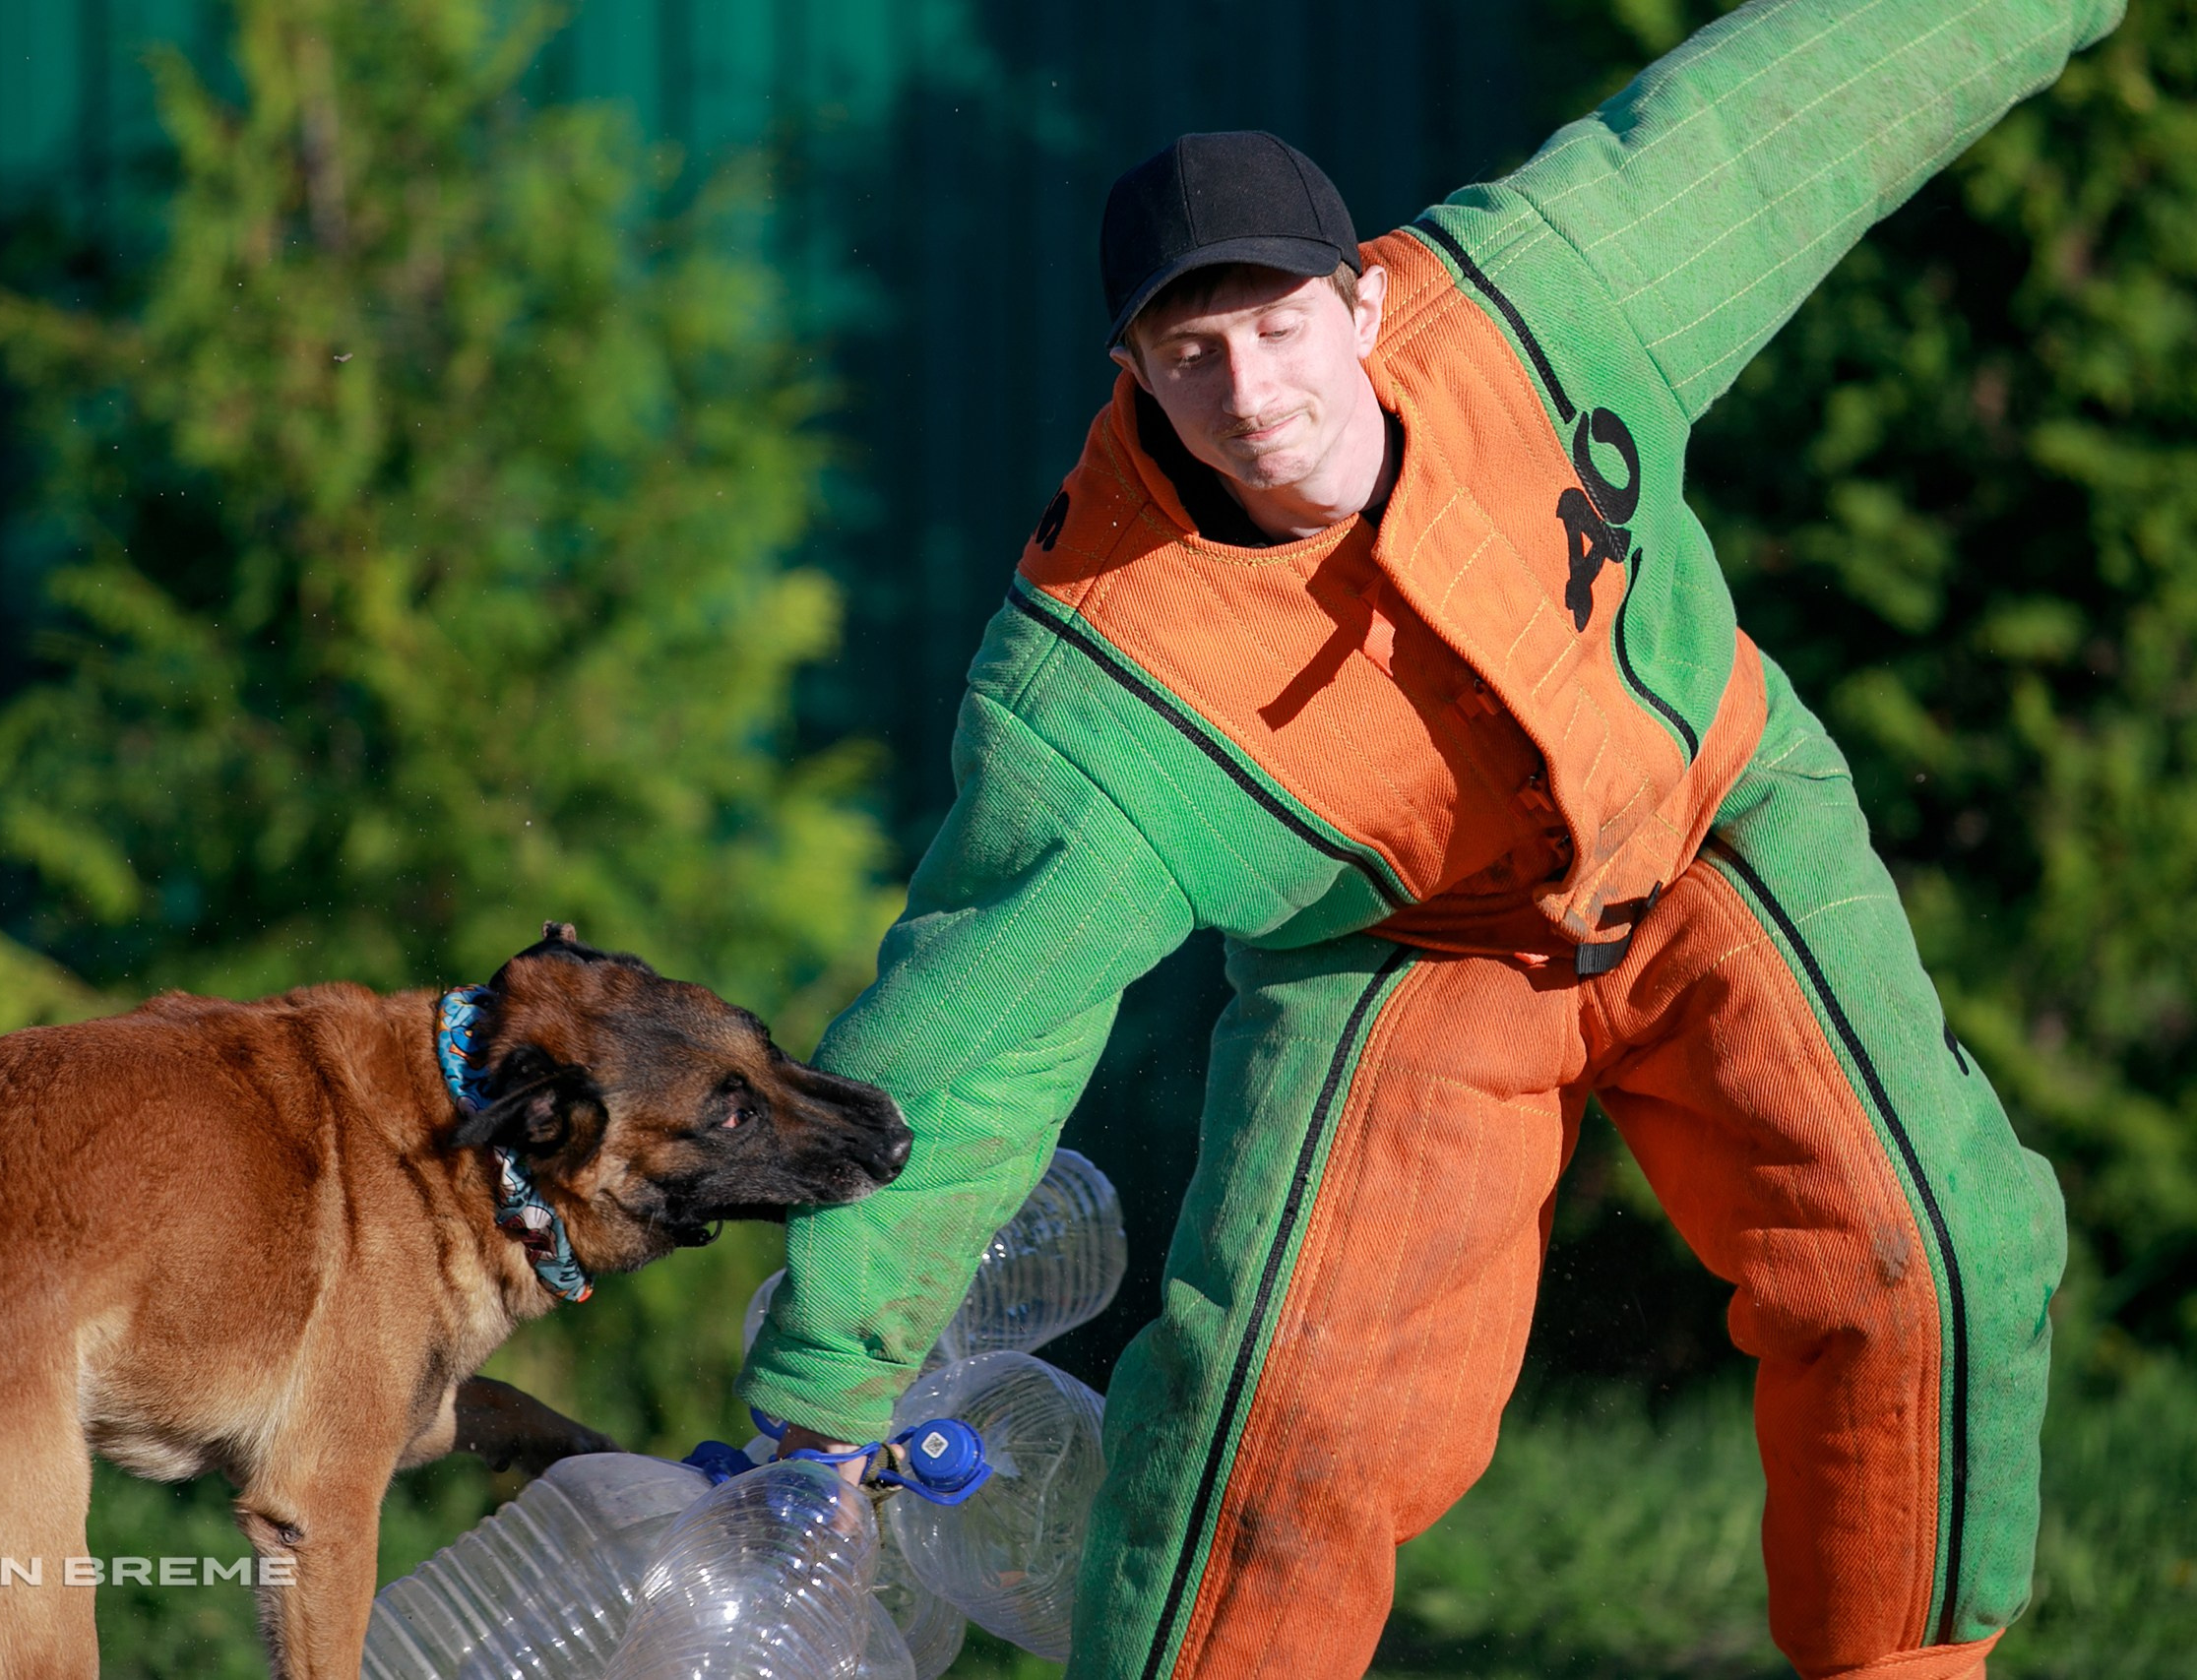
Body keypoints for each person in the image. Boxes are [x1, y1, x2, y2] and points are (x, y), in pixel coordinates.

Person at [737, 2, 2122, 1674]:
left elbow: (1794, 109)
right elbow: (970, 1040)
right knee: (1277, 1426)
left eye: (1278, 328)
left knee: (1936, 1256)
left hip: (1707, 814)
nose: (1249, 393)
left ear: (1365, 298)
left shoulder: (1540, 304)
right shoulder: (1104, 688)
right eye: (1191, 356)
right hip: (1398, 962)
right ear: (1133, 372)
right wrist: (824, 1389)